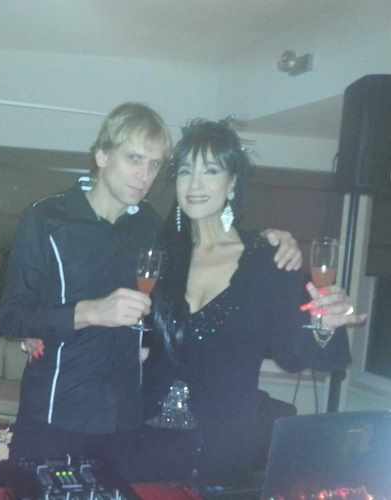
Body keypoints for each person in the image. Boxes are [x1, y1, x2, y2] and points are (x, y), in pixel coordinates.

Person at [0, 103, 303, 467]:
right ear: (102, 155)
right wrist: (89, 312)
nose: (144, 176)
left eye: (155, 165)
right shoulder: (46, 219)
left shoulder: (153, 230)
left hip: (127, 425)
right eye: (134, 159)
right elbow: (11, 317)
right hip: (53, 414)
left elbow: (206, 263)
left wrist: (272, 238)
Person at [130, 118, 367, 486]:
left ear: (232, 182)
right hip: (147, 443)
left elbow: (294, 355)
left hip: (224, 450)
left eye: (211, 171)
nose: (195, 184)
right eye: (186, 171)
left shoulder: (267, 258)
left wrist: (323, 325)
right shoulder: (160, 255)